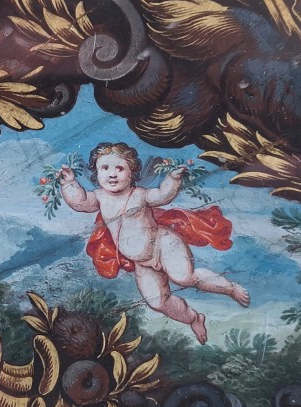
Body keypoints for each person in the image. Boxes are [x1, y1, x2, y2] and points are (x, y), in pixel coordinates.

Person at [58, 142, 250, 344]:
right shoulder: (99, 197)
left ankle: (230, 288)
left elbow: (161, 195)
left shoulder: (140, 194)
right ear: (97, 173)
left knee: (185, 277)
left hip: (163, 244)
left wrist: (173, 179)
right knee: (158, 302)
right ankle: (194, 318)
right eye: (105, 168)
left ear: (131, 173)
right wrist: (69, 184)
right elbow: (81, 202)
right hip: (143, 263)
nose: (112, 174)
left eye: (119, 168)